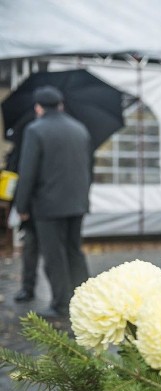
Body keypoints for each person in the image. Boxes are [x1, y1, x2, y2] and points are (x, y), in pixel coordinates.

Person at [13, 85, 91, 319]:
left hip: (48, 206)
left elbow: (28, 172)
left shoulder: (35, 130)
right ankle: (86, 298)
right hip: (77, 203)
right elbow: (88, 168)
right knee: (74, 251)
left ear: (38, 107)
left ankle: (60, 304)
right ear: (61, 105)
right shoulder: (80, 129)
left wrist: (22, 206)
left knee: (54, 255)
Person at [4, 138, 40, 303]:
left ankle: (28, 288)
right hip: (36, 205)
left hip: (33, 205)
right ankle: (28, 288)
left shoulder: (30, 139)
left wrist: (21, 206)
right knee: (33, 248)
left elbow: (24, 174)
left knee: (31, 249)